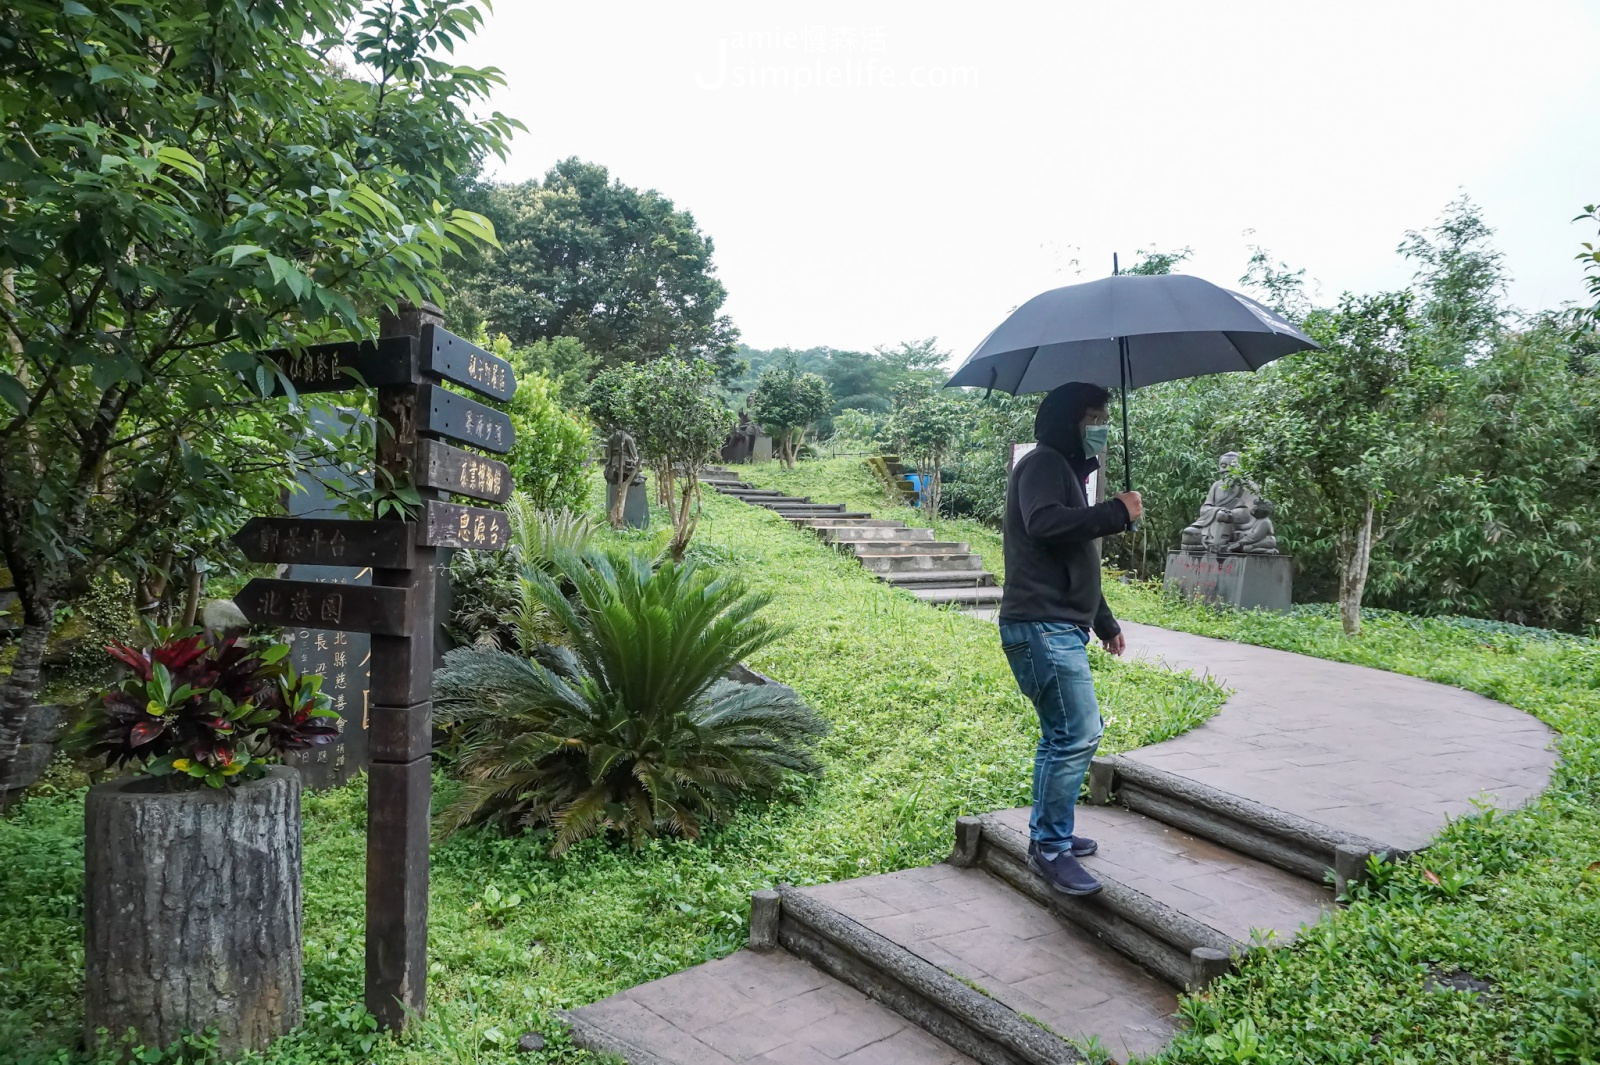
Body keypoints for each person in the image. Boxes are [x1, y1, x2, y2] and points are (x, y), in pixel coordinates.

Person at [998, 382, 1142, 897]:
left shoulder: (1064, 472)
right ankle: (1050, 848)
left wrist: (1105, 622)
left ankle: (1049, 835)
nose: (1101, 427)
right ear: (1067, 421)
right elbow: (1045, 525)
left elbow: (1072, 559)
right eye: (1094, 417)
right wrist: (1116, 513)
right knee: (1078, 733)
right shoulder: (1042, 465)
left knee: (1061, 735)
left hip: (1055, 624)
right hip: (1041, 626)